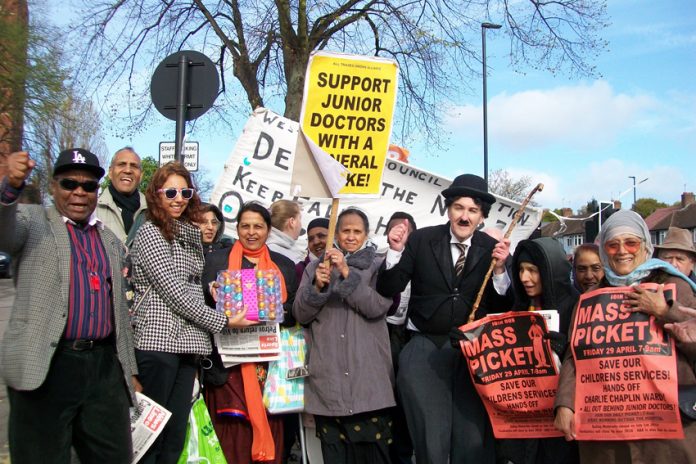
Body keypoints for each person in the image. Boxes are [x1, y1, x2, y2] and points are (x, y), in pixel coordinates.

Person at [0, 149, 139, 463]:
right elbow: (3, 232)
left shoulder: (109, 242)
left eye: (89, 186)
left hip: (103, 366)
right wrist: (10, 186)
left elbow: (119, 312)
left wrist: (128, 370)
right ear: (53, 187)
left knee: (115, 455)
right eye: (69, 184)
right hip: (48, 365)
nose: (79, 192)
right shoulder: (31, 220)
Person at [377, 173, 512, 464]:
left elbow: (503, 305)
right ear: (448, 209)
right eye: (459, 208)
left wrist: (501, 270)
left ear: (481, 216)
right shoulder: (423, 240)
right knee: (430, 439)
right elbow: (389, 287)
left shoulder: (492, 249)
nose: (464, 217)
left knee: (473, 440)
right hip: (424, 349)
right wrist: (395, 253)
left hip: (474, 355)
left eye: (473, 210)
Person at [554, 209, 696, 463]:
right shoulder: (590, 297)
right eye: (612, 244)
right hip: (607, 431)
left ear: (645, 246)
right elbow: (574, 356)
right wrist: (565, 403)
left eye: (631, 242)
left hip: (666, 430)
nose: (622, 251)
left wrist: (664, 311)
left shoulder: (676, 286)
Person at [130, 162, 242, 463]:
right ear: (156, 194)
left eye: (185, 191)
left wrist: (211, 292)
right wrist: (224, 321)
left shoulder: (185, 236)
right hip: (158, 343)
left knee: (174, 434)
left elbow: (188, 288)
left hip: (186, 346)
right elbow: (175, 293)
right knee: (150, 436)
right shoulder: (151, 233)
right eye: (170, 191)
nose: (178, 198)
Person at [294, 207, 395, 463]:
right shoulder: (315, 268)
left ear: (366, 234)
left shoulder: (379, 266)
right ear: (336, 234)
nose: (351, 236)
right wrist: (317, 286)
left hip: (368, 384)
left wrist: (347, 273)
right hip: (328, 381)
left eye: (357, 231)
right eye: (345, 231)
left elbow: (376, 307)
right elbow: (300, 315)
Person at [202, 201, 298, 464]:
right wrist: (213, 295)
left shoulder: (284, 266)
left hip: (268, 370)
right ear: (237, 228)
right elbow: (202, 304)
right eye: (245, 226)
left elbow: (293, 312)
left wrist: (272, 308)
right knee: (230, 435)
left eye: (258, 226)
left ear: (268, 230)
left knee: (270, 427)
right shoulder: (216, 260)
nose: (251, 232)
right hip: (227, 368)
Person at [497, 237, 580, 464]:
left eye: (533, 270)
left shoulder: (577, 306)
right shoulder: (519, 306)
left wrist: (563, 351)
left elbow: (586, 362)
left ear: (550, 270)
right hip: (523, 421)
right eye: (521, 270)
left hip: (559, 425)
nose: (525, 278)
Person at [383, 212, 417, 464]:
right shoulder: (380, 261)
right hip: (383, 336)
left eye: (406, 231)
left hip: (411, 337)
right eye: (396, 230)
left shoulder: (424, 263)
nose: (401, 235)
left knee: (406, 404)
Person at [97, 146, 146, 243]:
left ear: (141, 176)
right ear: (110, 172)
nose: (128, 170)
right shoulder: (93, 211)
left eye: (134, 166)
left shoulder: (153, 212)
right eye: (121, 164)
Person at [267, 199, 305, 263]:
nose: (301, 224)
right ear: (292, 222)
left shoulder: (261, 246)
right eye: (299, 218)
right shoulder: (262, 250)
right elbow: (247, 270)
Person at [296, 217, 330, 282]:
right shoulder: (300, 270)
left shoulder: (345, 264)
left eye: (321, 236)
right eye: (311, 239)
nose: (316, 242)